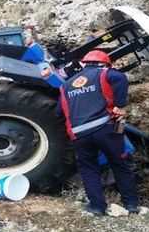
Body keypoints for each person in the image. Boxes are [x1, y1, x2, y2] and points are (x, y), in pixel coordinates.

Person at [58, 50, 139, 216]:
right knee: (120, 164)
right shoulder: (106, 73)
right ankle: (131, 204)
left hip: (79, 134)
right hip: (106, 128)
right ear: (105, 64)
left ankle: (97, 207)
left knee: (88, 169)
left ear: (85, 64)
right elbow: (120, 78)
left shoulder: (66, 85)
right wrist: (121, 105)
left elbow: (59, 110)